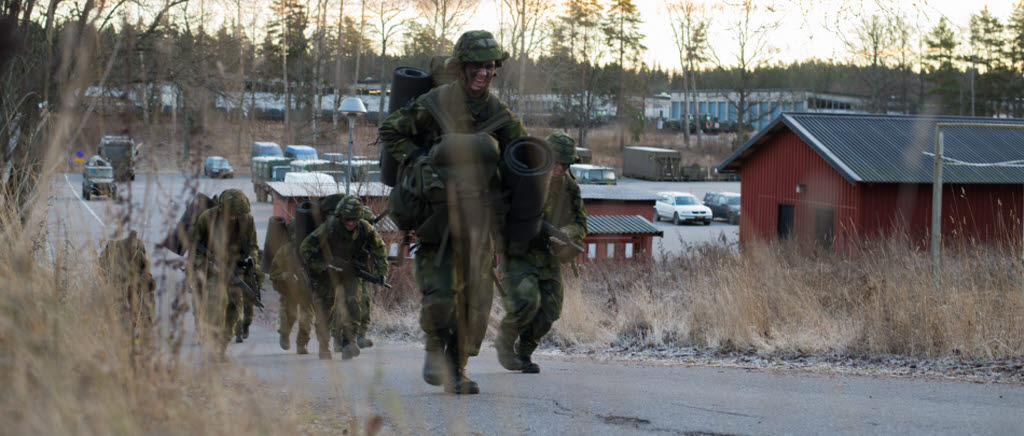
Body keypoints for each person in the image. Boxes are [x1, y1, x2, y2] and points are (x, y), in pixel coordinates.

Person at [379, 30, 526, 394]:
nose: (484, 73)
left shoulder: (501, 115)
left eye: (490, 67)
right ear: (461, 68)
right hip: (436, 218)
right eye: (477, 66)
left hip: (479, 223)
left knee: (474, 304)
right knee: (442, 294)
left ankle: (457, 369)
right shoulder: (436, 103)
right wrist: (420, 161)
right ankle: (433, 348)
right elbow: (391, 131)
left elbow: (520, 162)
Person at [496, 132, 587, 374]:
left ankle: (524, 352)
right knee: (526, 302)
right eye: (556, 161)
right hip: (520, 254)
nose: (559, 167)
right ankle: (505, 344)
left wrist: (567, 232)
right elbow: (501, 211)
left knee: (550, 311)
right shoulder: (526, 178)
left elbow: (582, 223)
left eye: (565, 163)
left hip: (550, 257)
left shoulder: (570, 187)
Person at [301, 196, 388, 360]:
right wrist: (322, 266)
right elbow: (305, 248)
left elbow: (379, 248)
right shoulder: (330, 227)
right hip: (328, 274)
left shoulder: (365, 228)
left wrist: (382, 272)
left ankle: (349, 341)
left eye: (354, 219)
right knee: (327, 309)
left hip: (350, 273)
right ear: (340, 216)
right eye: (347, 219)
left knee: (353, 302)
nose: (350, 223)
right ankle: (323, 344)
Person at [190, 189, 260, 362]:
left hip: (236, 271)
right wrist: (206, 265)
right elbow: (194, 247)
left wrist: (252, 259)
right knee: (215, 307)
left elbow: (253, 246)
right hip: (212, 272)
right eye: (231, 215)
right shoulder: (207, 218)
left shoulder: (247, 220)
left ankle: (220, 348)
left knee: (234, 311)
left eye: (237, 215)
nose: (234, 218)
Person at [100, 229, 157, 353]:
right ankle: (125, 338)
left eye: (134, 251)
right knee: (122, 308)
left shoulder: (139, 252)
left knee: (146, 298)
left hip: (134, 282)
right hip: (117, 283)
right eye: (130, 251)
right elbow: (103, 270)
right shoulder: (114, 253)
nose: (132, 253)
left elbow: (145, 270)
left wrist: (146, 280)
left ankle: (145, 336)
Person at [269, 220, 317, 357]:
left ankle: (301, 344)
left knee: (307, 318)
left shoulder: (313, 250)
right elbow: (273, 272)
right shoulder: (285, 250)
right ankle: (284, 333)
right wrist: (287, 275)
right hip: (289, 290)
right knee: (289, 314)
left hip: (307, 290)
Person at [356, 205, 377, 348]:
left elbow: (378, 252)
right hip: (347, 276)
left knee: (364, 302)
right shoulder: (347, 235)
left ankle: (361, 336)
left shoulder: (371, 236)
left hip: (364, 276)